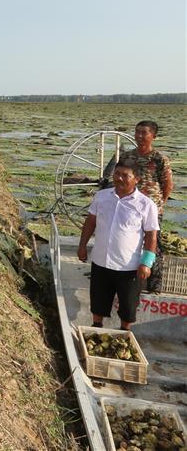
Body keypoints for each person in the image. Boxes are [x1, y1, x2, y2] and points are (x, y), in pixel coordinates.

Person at [77, 160, 159, 330]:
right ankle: (96, 326)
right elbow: (90, 222)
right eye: (117, 174)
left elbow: (151, 235)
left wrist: (146, 263)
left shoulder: (146, 205)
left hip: (129, 267)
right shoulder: (101, 197)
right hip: (101, 261)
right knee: (98, 300)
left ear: (136, 179)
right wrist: (82, 246)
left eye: (125, 175)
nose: (119, 178)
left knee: (128, 306)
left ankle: (124, 331)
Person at [117, 121, 173, 217]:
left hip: (151, 206)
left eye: (144, 133)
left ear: (153, 136)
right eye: (137, 132)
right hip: (129, 205)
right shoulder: (126, 157)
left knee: (151, 232)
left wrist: (161, 203)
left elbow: (167, 185)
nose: (139, 136)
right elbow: (118, 179)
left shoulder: (159, 159)